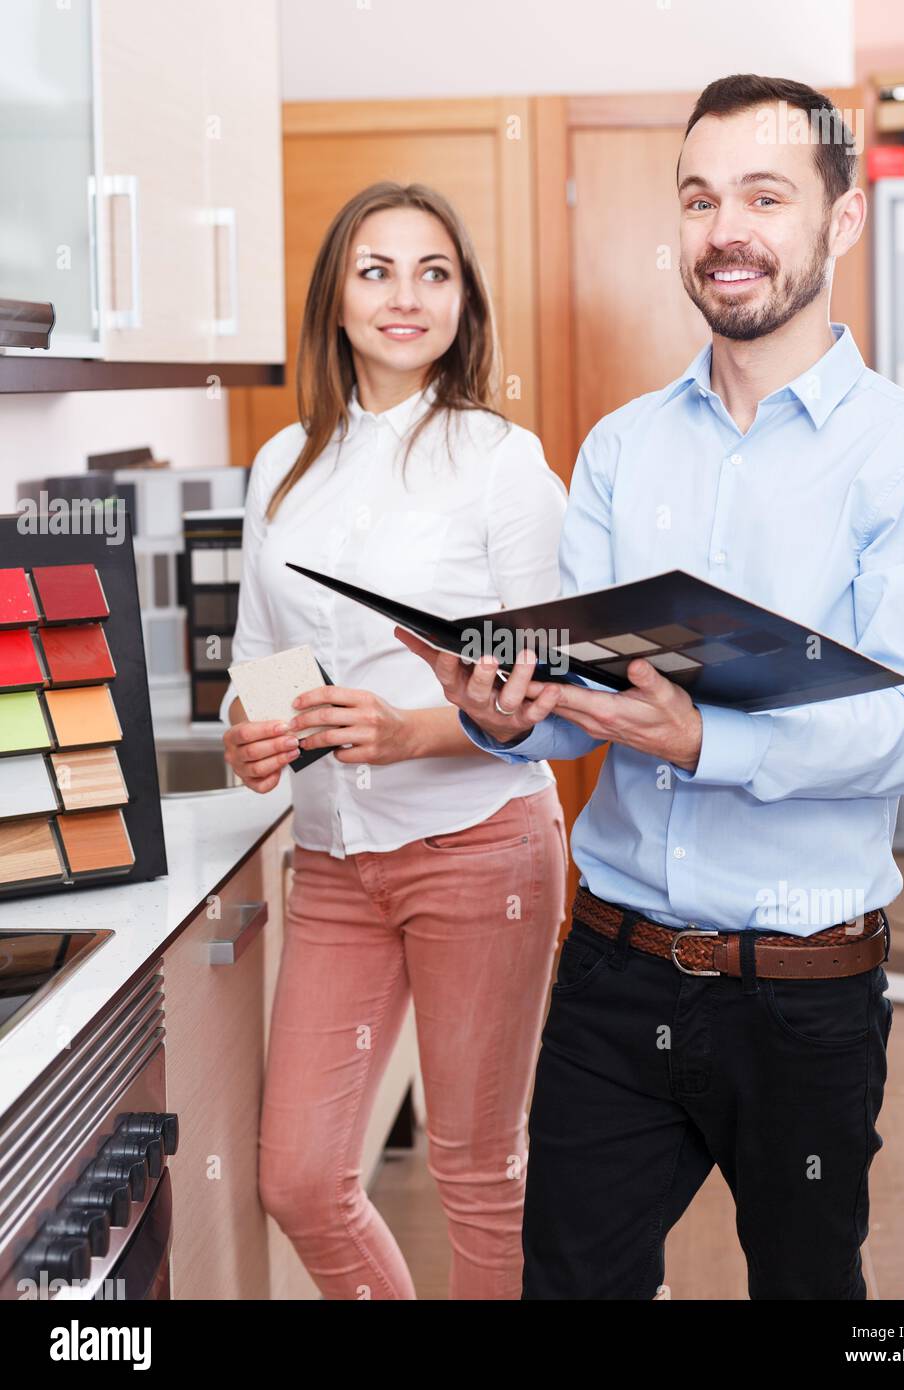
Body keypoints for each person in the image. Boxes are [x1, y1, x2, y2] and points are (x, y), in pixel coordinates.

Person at [399, 74, 904, 1299]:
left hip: (804, 996)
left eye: (764, 195)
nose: (724, 228)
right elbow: (571, 700)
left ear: (838, 222)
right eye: (699, 197)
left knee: (805, 1287)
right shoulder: (622, 445)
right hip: (613, 971)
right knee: (568, 1282)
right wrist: (500, 710)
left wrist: (702, 743)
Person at [220, 181, 568, 1300]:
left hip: (479, 848)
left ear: (464, 302)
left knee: (476, 1171)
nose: (405, 297)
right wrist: (253, 731)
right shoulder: (279, 465)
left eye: (434, 272)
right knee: (300, 1178)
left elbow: (549, 692)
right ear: (336, 296)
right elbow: (261, 653)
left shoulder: (500, 462)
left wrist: (411, 730)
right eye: (377, 270)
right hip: (330, 860)